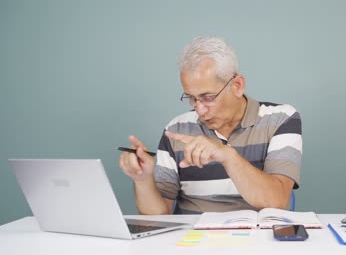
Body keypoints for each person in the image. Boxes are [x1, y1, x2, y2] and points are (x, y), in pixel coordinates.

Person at [119, 37, 302, 215]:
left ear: (237, 86)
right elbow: (158, 215)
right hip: (191, 240)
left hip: (257, 240)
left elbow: (277, 200)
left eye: (208, 97)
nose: (199, 109)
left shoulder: (280, 119)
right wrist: (143, 180)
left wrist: (228, 156)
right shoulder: (177, 129)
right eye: (191, 98)